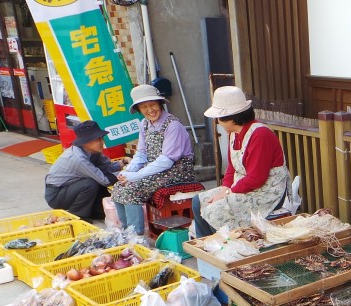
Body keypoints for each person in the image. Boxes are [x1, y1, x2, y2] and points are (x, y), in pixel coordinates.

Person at [192, 86, 290, 237]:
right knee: (198, 201)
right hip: (244, 187)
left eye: (219, 118)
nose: (217, 122)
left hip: (266, 193)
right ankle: (209, 248)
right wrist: (224, 189)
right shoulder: (234, 133)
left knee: (215, 210)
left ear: (231, 118)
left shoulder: (260, 134)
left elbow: (257, 178)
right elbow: (232, 166)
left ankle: (228, 249)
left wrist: (229, 193)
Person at [111, 84, 195, 234]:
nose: (150, 110)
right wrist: (128, 171)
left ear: (160, 104)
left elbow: (166, 160)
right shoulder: (144, 124)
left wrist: (136, 176)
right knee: (119, 187)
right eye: (144, 107)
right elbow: (141, 153)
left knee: (132, 189)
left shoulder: (173, 125)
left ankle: (135, 236)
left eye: (153, 105)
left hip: (177, 171)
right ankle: (125, 232)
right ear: (139, 110)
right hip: (156, 170)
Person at [44, 120, 125, 222]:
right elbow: (105, 180)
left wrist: (124, 162)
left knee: (103, 211)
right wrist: (126, 175)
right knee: (91, 183)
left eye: (101, 138)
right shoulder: (78, 158)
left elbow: (107, 167)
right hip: (57, 195)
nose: (102, 142)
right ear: (85, 142)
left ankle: (94, 211)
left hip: (74, 187)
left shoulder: (93, 151)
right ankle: (77, 215)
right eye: (97, 139)